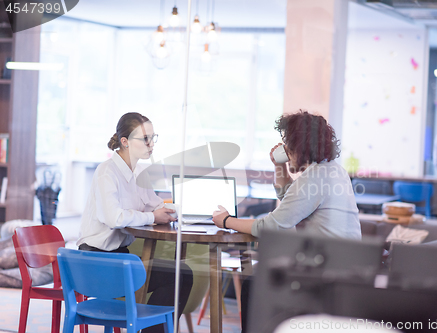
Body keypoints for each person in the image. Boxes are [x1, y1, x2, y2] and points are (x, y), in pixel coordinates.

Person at [212, 110, 361, 332]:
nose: (286, 149)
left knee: (254, 281)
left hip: (325, 271)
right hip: (344, 266)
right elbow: (291, 199)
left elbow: (271, 226)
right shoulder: (333, 171)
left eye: (288, 145)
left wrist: (226, 220)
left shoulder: (314, 178)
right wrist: (280, 165)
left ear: (298, 147)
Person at [77, 112, 193, 333]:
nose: (151, 144)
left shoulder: (140, 172)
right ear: (125, 142)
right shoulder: (106, 172)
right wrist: (152, 217)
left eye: (153, 137)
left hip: (121, 257)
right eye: (145, 139)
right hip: (97, 259)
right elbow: (114, 217)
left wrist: (178, 211)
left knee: (181, 273)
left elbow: (155, 205)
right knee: (179, 274)